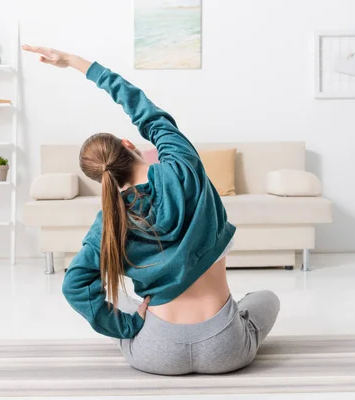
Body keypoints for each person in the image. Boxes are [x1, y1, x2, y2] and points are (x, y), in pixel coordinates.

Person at [23, 45, 280, 376]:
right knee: (266, 298)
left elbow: (75, 284)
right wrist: (76, 63)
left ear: (104, 181)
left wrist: (126, 326)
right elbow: (145, 110)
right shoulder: (183, 165)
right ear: (129, 145)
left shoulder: (111, 221)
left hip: (155, 354)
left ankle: (139, 323)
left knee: (130, 303)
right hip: (225, 349)